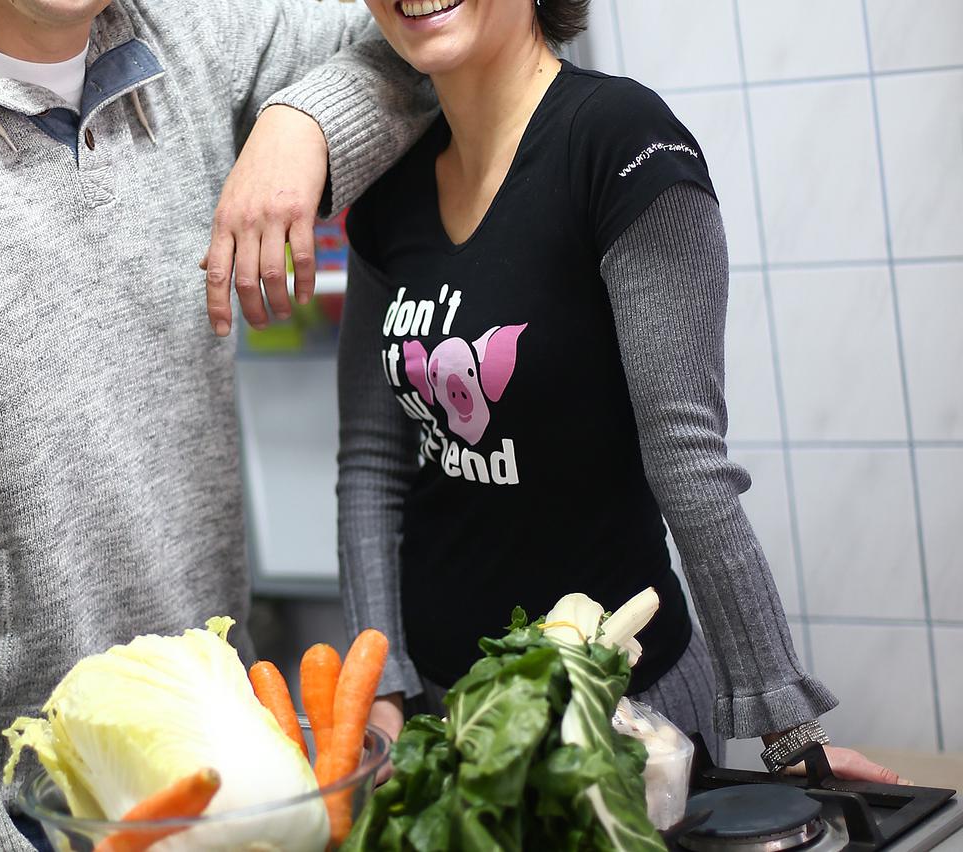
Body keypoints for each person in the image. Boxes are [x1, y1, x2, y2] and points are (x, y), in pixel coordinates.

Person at [0, 0, 434, 848]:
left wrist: (305, 121)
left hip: (226, 752)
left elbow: (435, 37)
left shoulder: (181, 25)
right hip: (18, 799)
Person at [323, 0, 903, 782]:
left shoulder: (622, 142)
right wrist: (385, 693)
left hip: (627, 723)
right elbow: (371, 461)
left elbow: (686, 455)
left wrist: (786, 729)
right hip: (445, 719)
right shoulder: (388, 191)